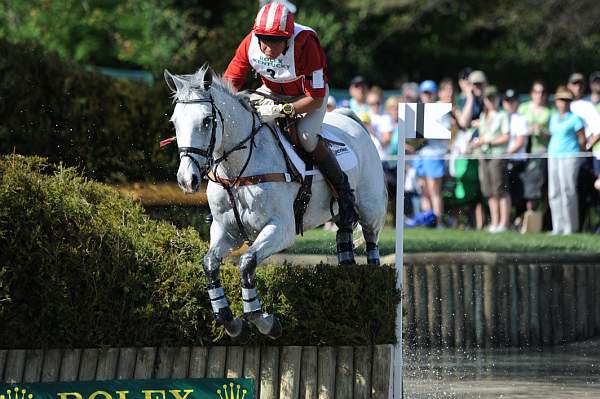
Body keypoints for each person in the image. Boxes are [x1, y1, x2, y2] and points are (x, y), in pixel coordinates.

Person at [223, 2, 358, 233]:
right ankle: (224, 200)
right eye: (263, 38)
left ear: (288, 38)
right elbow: (229, 85)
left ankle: (344, 193)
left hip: (307, 96)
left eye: (274, 40)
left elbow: (314, 98)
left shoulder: (307, 44)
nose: (266, 47)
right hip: (271, 91)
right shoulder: (250, 43)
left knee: (306, 137)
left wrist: (282, 111)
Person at [469, 85, 510, 233]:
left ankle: (503, 223)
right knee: (489, 191)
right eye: (488, 98)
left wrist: (487, 141)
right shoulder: (483, 116)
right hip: (484, 155)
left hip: (497, 155)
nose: (491, 101)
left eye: (493, 97)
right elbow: (480, 135)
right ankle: (495, 222)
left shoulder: (502, 115)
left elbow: (506, 136)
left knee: (500, 190)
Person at [547, 86, 586, 235]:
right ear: (556, 101)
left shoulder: (575, 118)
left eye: (566, 100)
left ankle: (570, 227)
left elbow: (582, 139)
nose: (563, 103)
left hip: (570, 156)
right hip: (553, 156)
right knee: (554, 192)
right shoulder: (554, 117)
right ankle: (558, 227)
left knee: (567, 190)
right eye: (561, 100)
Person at [567, 72, 600, 231]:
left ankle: (591, 227)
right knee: (575, 192)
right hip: (567, 155)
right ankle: (576, 227)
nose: (577, 87)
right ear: (569, 86)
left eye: (580, 84)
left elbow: (597, 130)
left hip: (585, 156)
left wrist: (586, 147)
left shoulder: (587, 105)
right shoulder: (565, 105)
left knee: (590, 192)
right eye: (574, 83)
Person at [414, 80, 448, 225]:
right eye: (424, 93)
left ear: (434, 94)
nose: (426, 96)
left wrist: (425, 132)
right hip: (421, 155)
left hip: (435, 154)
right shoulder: (419, 111)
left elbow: (445, 132)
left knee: (434, 190)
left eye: (429, 93)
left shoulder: (441, 109)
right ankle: (427, 220)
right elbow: (413, 137)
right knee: (423, 190)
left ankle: (438, 222)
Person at [518, 80, 551, 220]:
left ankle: (539, 219)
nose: (540, 95)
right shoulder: (523, 108)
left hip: (541, 152)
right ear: (532, 94)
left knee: (539, 186)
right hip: (523, 151)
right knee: (524, 185)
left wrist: (542, 131)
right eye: (537, 92)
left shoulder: (550, 111)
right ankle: (525, 217)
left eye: (542, 92)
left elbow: (553, 132)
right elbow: (517, 126)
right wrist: (528, 129)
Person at [503, 89, 529, 226]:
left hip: (517, 161)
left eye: (513, 101)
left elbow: (520, 141)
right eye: (508, 101)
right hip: (503, 160)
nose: (510, 104)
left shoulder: (521, 118)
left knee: (517, 194)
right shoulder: (502, 117)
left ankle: (518, 220)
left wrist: (504, 153)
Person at [366, 86, 393, 154]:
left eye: (377, 103)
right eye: (372, 104)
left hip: (382, 158)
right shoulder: (365, 116)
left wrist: (372, 132)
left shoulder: (386, 118)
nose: (375, 106)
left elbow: (386, 143)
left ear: (381, 101)